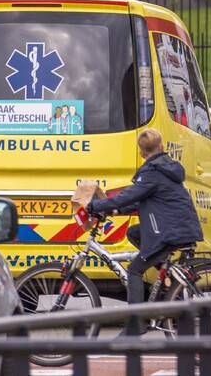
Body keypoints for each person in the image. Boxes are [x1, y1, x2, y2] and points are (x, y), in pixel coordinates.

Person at [87, 128, 203, 315]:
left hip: (170, 231)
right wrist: (116, 210)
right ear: (162, 147)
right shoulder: (165, 168)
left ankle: (136, 324)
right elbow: (142, 200)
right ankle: (167, 271)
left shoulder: (153, 172)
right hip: (178, 227)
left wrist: (95, 205)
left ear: (141, 153)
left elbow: (128, 196)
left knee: (134, 270)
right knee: (134, 232)